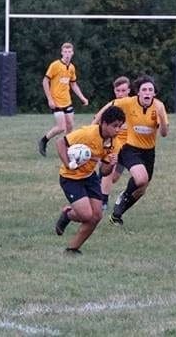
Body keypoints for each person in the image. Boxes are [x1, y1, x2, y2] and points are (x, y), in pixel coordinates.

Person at [94, 75, 169, 226]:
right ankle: (112, 194)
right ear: (138, 93)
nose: (147, 92)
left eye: (150, 90)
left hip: (149, 152)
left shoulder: (159, 106)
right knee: (141, 179)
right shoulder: (128, 103)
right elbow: (111, 105)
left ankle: (117, 214)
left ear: (154, 93)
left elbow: (164, 133)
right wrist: (95, 123)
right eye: (144, 90)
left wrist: (161, 115)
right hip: (130, 148)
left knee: (141, 188)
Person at [54, 106, 125, 254]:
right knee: (86, 215)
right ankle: (68, 214)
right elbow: (60, 143)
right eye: (114, 126)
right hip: (70, 178)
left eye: (120, 126)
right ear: (104, 123)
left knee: (96, 216)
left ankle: (72, 249)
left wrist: (110, 164)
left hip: (89, 177)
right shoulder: (87, 133)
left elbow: (104, 172)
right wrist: (69, 164)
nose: (118, 130)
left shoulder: (115, 143)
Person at [37, 42, 89, 157]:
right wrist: (50, 99)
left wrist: (82, 98)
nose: (67, 54)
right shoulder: (55, 65)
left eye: (69, 52)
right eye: (65, 52)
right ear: (61, 53)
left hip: (67, 101)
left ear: (73, 53)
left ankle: (67, 148)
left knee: (70, 126)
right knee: (61, 127)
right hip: (56, 102)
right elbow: (45, 81)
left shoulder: (71, 67)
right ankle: (44, 140)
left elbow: (73, 84)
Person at [91, 76, 131, 210]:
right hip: (113, 144)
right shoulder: (113, 105)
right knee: (109, 168)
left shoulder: (134, 104)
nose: (121, 94)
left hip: (128, 147)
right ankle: (103, 201)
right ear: (115, 92)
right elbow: (97, 119)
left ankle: (96, 180)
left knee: (114, 178)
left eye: (123, 90)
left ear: (129, 91)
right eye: (118, 91)